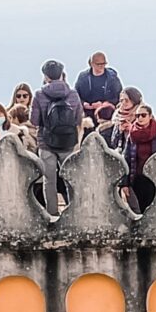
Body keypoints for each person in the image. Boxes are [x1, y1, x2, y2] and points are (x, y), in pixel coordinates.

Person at [29, 60, 83, 210]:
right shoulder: (73, 94)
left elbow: (34, 121)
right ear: (62, 74)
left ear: (46, 76)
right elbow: (78, 119)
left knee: (49, 180)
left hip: (46, 142)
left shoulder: (39, 95)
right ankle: (73, 211)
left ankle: (52, 213)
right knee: (70, 178)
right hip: (68, 141)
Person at [119, 104, 156, 212]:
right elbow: (126, 158)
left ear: (150, 116)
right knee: (140, 208)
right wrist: (125, 183)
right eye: (137, 116)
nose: (140, 118)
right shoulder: (132, 135)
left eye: (143, 115)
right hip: (137, 177)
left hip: (155, 178)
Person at [78, 53, 123, 125]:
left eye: (103, 64)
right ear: (92, 64)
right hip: (87, 116)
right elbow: (76, 94)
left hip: (106, 117)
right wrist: (83, 103)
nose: (101, 66)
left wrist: (103, 104)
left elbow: (119, 96)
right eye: (98, 64)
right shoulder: (83, 77)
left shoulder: (112, 78)